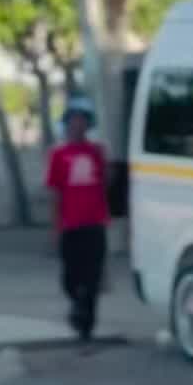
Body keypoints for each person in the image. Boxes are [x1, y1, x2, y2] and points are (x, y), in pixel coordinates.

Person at [46, 97, 110, 344]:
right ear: (67, 124)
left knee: (92, 277)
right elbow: (55, 192)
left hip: (95, 223)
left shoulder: (97, 152)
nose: (78, 125)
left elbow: (106, 183)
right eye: (74, 120)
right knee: (70, 278)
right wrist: (55, 227)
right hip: (70, 224)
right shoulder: (58, 154)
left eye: (82, 120)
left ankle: (86, 327)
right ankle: (77, 304)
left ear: (88, 125)